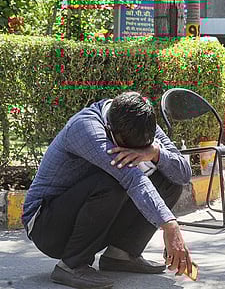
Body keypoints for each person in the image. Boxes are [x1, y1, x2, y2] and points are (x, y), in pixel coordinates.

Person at [22, 91, 194, 289]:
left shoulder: (140, 120)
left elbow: (183, 174)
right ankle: (71, 265)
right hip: (47, 226)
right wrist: (170, 225)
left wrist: (155, 153)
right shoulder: (85, 127)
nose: (132, 153)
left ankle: (121, 255)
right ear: (111, 130)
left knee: (169, 180)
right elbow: (132, 179)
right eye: (126, 147)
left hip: (85, 216)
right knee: (112, 180)